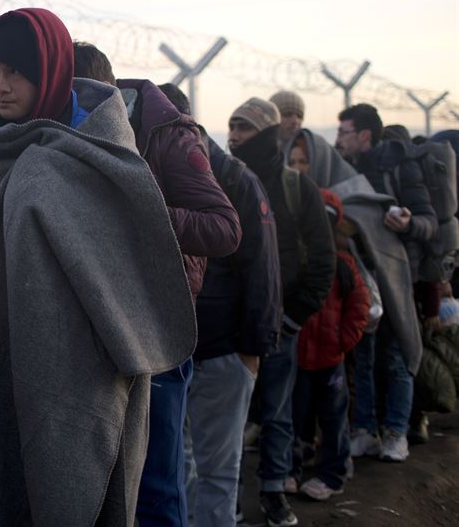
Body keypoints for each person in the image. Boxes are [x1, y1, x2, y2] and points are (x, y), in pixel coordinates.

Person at [0, 9, 197, 526]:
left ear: (49, 70)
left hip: (80, 377)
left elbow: (125, 269)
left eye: (16, 73)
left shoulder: (100, 152)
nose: (0, 88)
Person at [74, 45, 241, 527]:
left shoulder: (167, 134)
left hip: (157, 330)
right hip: (96, 328)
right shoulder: (58, 134)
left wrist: (140, 212)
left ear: (103, 92)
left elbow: (225, 229)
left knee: (155, 484)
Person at [157, 84, 281, 527]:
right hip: (174, 350)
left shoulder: (235, 178)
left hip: (224, 350)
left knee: (218, 472)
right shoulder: (157, 170)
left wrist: (253, 349)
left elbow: (262, 269)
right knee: (178, 465)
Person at [228, 98, 336, 527]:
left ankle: (273, 492)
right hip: (232, 328)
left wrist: (292, 319)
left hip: (279, 326)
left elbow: (323, 261)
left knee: (276, 414)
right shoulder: (221, 181)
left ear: (267, 134)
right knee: (229, 420)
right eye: (231, 127)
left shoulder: (296, 187)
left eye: (245, 128)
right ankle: (228, 496)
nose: (234, 137)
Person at [336, 104, 436, 463]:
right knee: (362, 359)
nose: (338, 139)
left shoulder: (399, 166)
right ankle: (364, 431)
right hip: (358, 278)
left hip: (394, 278)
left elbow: (429, 222)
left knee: (394, 357)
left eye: (344, 132)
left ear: (364, 135)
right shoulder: (343, 168)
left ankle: (396, 433)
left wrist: (408, 223)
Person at [289, 189, 370, 501]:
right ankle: (292, 469)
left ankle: (333, 474)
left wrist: (341, 342)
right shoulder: (296, 262)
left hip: (329, 360)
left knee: (334, 420)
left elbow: (360, 307)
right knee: (295, 418)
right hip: (300, 358)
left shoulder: (344, 265)